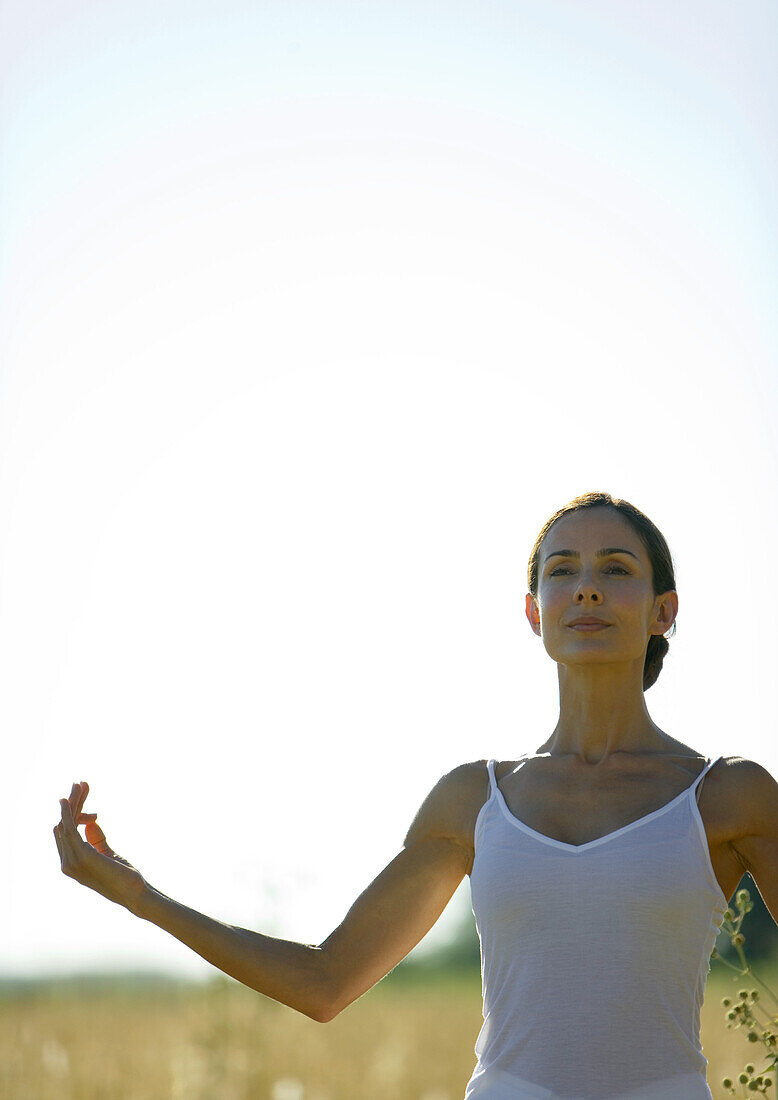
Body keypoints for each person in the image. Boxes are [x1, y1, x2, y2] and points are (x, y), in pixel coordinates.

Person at [54, 490, 778, 1100]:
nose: (586, 586)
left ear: (662, 610)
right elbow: (326, 982)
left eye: (615, 569)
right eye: (564, 570)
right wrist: (140, 897)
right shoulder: (472, 799)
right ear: (534, 611)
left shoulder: (728, 795)